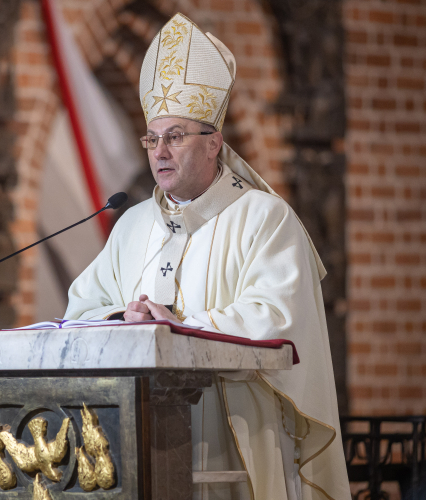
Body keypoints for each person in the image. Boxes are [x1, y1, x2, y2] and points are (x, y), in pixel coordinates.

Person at [64, 13, 350, 500]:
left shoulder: (265, 218)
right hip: (139, 441)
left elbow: (276, 318)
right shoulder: (131, 225)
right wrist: (122, 317)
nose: (159, 152)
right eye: (152, 138)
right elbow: (80, 311)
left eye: (175, 136)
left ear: (214, 142)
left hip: (234, 433)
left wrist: (177, 326)